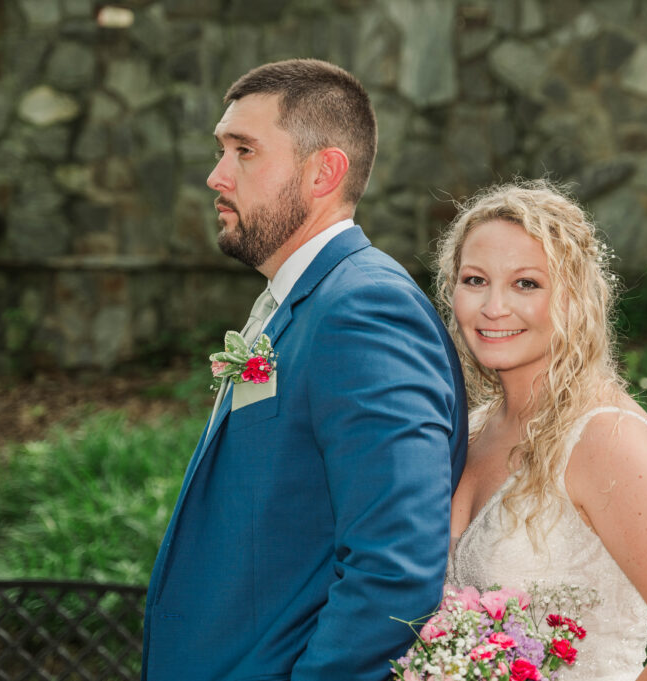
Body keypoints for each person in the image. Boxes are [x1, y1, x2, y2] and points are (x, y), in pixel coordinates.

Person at [142, 59, 468, 681]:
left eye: (244, 151)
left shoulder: (365, 309)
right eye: (221, 150)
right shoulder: (303, 302)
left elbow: (394, 568)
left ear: (324, 172)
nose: (216, 176)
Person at [437, 180, 647, 681]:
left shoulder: (606, 438)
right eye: (475, 280)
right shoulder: (467, 429)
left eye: (526, 284)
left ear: (573, 297)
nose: (493, 306)